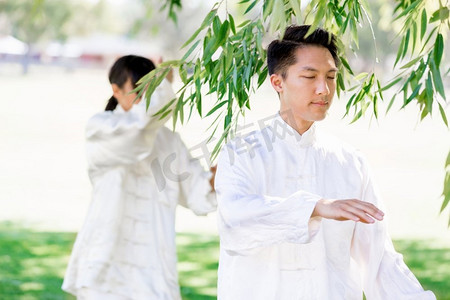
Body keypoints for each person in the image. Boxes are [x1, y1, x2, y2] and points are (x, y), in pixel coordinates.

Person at [214, 25, 436, 299]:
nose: (324, 89)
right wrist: (317, 207)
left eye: (331, 77)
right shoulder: (241, 153)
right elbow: (237, 222)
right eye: (310, 76)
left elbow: (379, 259)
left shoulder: (350, 162)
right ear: (277, 83)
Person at [62, 55, 216, 299]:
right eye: (140, 91)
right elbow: (138, 132)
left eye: (151, 91)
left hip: (152, 270)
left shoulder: (169, 141)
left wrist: (224, 170)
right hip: (106, 266)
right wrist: (162, 86)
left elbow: (198, 194)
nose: (147, 99)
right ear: (116, 90)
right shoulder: (101, 128)